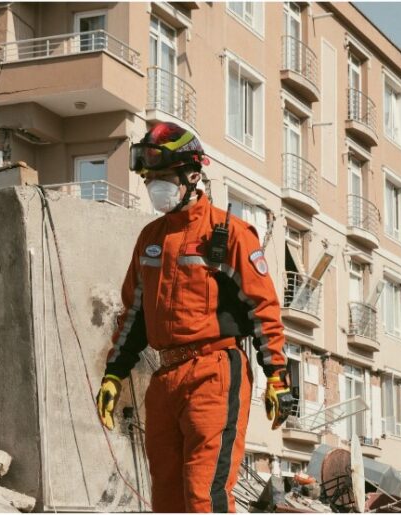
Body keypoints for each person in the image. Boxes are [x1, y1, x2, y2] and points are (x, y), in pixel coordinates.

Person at [96, 122, 295, 512]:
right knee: (167, 499)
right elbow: (133, 315)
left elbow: (263, 311)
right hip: (165, 378)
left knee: (204, 494)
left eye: (164, 177)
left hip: (214, 372)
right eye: (150, 178)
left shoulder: (230, 234)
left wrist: (277, 376)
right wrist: (114, 373)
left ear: (192, 175)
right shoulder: (150, 239)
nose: (156, 186)